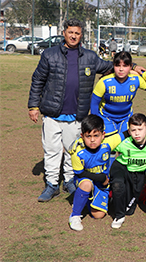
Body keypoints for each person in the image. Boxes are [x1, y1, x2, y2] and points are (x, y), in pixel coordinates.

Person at [28, 18, 114, 202]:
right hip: (52, 113)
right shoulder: (50, 55)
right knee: (52, 151)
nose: (73, 36)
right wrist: (33, 106)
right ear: (64, 33)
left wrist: (131, 67)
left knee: (72, 150)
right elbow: (37, 80)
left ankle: (69, 181)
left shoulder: (90, 57)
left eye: (77, 33)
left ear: (81, 35)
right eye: (70, 32)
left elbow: (110, 67)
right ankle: (51, 184)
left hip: (77, 115)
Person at [68, 115, 125, 231]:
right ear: (82, 136)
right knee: (86, 184)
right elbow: (80, 173)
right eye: (88, 136)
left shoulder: (108, 143)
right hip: (85, 178)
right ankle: (75, 216)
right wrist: (101, 178)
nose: (92, 140)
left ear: (103, 135)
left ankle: (87, 199)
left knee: (98, 215)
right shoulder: (77, 151)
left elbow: (126, 134)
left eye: (96, 135)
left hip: (101, 183)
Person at [109, 113, 146, 229]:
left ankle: (117, 198)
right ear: (129, 131)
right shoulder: (124, 143)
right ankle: (119, 216)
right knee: (118, 185)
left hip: (139, 173)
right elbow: (106, 144)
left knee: (130, 209)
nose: (137, 133)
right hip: (122, 166)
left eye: (140, 129)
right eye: (133, 130)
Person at [90, 51, 146, 137]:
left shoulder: (135, 79)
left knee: (125, 146)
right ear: (113, 65)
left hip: (126, 118)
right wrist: (95, 123)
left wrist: (140, 73)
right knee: (109, 145)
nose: (121, 69)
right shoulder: (105, 81)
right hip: (107, 118)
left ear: (131, 67)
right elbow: (94, 103)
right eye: (118, 66)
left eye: (125, 66)